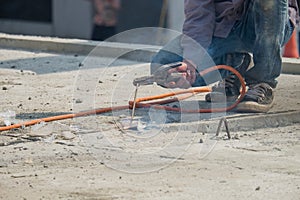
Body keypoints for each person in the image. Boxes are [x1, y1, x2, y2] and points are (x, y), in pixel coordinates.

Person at [151, 0, 299, 113]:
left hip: (270, 23)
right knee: (163, 65)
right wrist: (190, 62)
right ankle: (235, 65)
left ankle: (263, 81)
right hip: (227, 27)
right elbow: (198, 16)